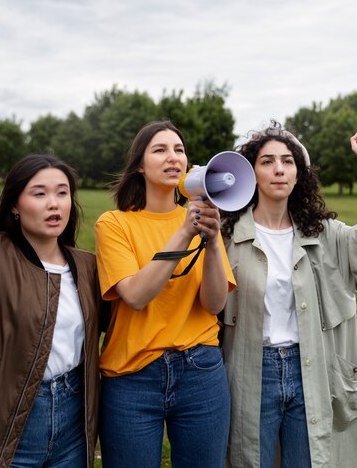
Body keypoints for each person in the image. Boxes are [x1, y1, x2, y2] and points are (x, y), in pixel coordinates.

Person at [221, 122, 357, 468]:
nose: (279, 169)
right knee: (250, 460)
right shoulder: (227, 236)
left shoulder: (323, 234)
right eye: (267, 161)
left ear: (298, 174)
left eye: (288, 161)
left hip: (309, 368)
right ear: (251, 173)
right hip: (251, 370)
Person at [95, 120, 236, 468]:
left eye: (179, 150)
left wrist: (214, 243)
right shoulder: (114, 224)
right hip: (133, 378)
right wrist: (185, 232)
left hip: (200, 371)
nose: (173, 157)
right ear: (140, 165)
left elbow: (215, 303)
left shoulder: (202, 218)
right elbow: (137, 295)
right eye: (160, 150)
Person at [0, 141, 102, 468]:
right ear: (15, 206)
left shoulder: (88, 266)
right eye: (39, 194)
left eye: (62, 193)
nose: (54, 204)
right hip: (4, 419)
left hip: (73, 420)